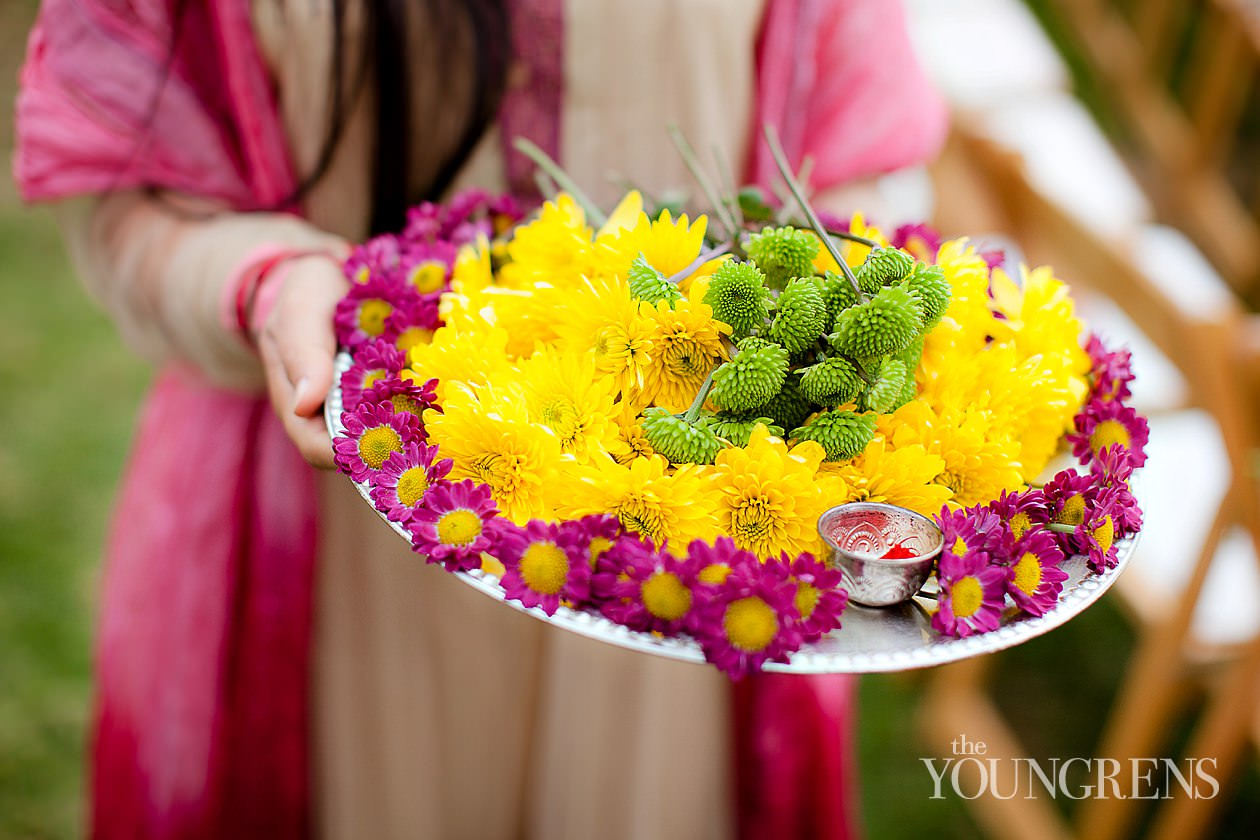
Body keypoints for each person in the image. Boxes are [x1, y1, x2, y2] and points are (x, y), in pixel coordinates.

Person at [14, 1, 947, 837]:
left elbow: (855, 154)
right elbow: (131, 192)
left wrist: (813, 311)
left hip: (684, 548)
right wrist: (274, 284)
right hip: (352, 514)